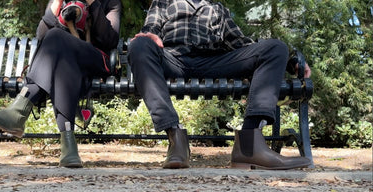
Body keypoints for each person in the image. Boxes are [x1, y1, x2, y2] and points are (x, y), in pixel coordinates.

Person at [128, 0, 312, 169]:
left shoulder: (218, 7)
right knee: (140, 44)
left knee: (276, 48)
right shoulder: (163, 2)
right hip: (173, 60)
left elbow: (241, 44)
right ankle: (175, 138)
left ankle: (249, 147)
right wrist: (149, 36)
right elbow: (150, 28)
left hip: (214, 63)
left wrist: (290, 62)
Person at [0, 0, 122, 168]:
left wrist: (93, 4)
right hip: (66, 65)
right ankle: (69, 148)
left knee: (55, 37)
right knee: (60, 62)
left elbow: (110, 40)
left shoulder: (111, 3)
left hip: (95, 60)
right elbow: (41, 36)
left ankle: (19, 110)